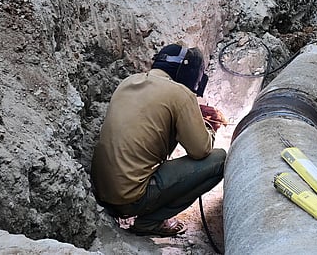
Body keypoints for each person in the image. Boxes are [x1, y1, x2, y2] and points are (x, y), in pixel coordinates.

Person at [91, 43, 228, 237]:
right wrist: (209, 126)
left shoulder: (128, 82)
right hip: (129, 198)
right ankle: (149, 222)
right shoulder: (181, 94)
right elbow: (201, 150)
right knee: (219, 159)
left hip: (101, 190)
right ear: (186, 73)